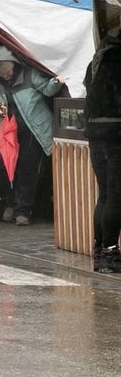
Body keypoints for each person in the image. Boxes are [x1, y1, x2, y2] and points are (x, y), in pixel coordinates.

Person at [0, 45, 64, 226]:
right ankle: (11, 203)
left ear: (15, 65)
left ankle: (22, 211)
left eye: (9, 72)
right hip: (7, 131)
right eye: (2, 75)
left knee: (28, 169)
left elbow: (46, 89)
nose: (7, 76)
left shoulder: (29, 73)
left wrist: (56, 83)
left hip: (32, 130)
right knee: (3, 169)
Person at [84, 27, 121, 272]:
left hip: (95, 132)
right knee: (116, 196)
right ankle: (109, 254)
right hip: (116, 132)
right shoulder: (118, 60)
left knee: (105, 194)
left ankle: (100, 250)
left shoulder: (97, 59)